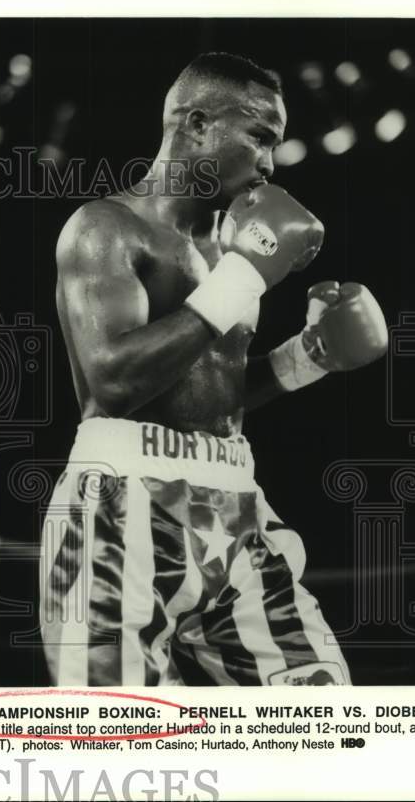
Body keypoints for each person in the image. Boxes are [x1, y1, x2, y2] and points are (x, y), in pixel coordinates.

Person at [40, 52, 387, 687]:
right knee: (119, 747)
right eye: (259, 135)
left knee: (322, 715)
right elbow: (114, 383)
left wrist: (306, 357)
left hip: (236, 504)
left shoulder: (230, 245)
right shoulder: (105, 229)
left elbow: (208, 392)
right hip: (121, 500)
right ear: (197, 125)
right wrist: (242, 279)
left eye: (274, 143)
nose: (270, 162)